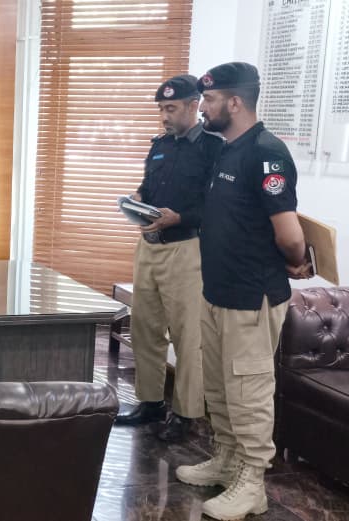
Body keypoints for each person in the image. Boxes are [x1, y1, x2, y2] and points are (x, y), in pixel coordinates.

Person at [174, 62, 312, 521]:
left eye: (210, 100)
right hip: (218, 291)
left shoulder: (267, 153)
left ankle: (252, 483)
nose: (203, 108)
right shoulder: (226, 150)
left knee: (248, 391)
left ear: (234, 102)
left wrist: (296, 258)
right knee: (219, 386)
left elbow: (289, 234)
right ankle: (227, 461)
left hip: (252, 296)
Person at [116, 74, 222, 443]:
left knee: (187, 336)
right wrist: (136, 200)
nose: (165, 115)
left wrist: (179, 218)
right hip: (149, 247)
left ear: (194, 105)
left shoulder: (213, 148)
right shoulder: (160, 145)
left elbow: (217, 205)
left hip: (186, 249)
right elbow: (148, 186)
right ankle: (150, 403)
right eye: (162, 108)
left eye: (171, 108)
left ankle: (187, 414)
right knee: (144, 329)